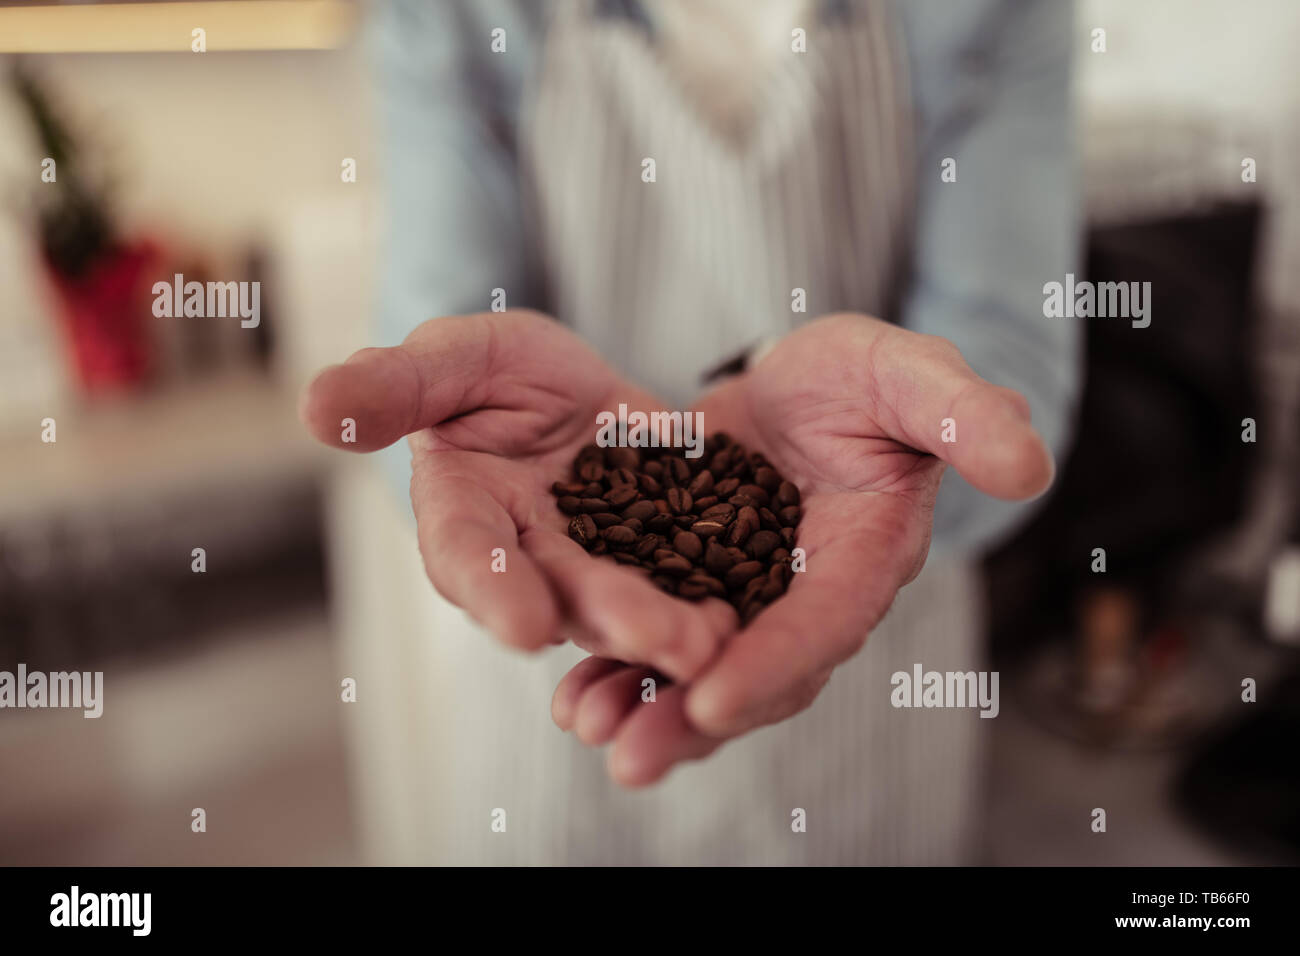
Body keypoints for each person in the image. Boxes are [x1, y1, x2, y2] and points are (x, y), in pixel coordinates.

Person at [301, 0, 1079, 864]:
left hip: (870, 656)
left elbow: (1009, 374)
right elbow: (438, 370)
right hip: (564, 661)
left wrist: (898, 439)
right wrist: (466, 418)